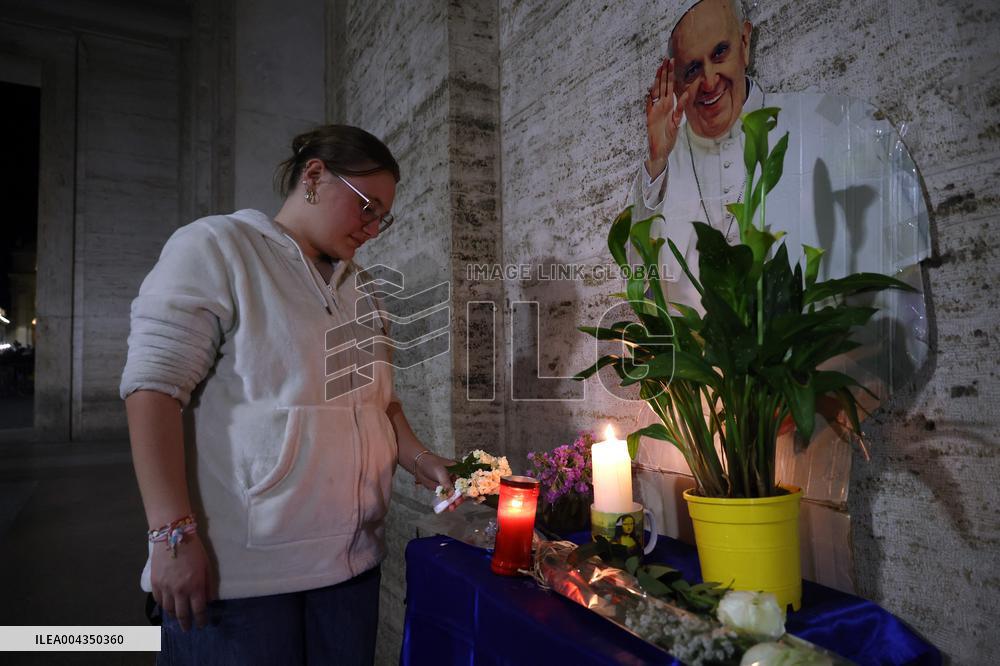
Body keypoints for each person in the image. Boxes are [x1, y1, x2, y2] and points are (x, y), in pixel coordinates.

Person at [121, 125, 456, 665]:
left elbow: (376, 401)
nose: (373, 228)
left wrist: (418, 457)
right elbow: (153, 391)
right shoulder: (218, 247)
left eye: (382, 217)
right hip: (244, 580)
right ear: (316, 175)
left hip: (352, 569)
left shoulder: (362, 287)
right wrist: (171, 536)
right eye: (366, 206)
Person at [631, 0, 761, 311]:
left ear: (744, 42)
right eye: (692, 69)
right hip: (694, 354)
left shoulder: (800, 128)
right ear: (676, 83)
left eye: (719, 53)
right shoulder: (665, 161)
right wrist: (658, 159)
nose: (710, 81)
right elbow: (637, 270)